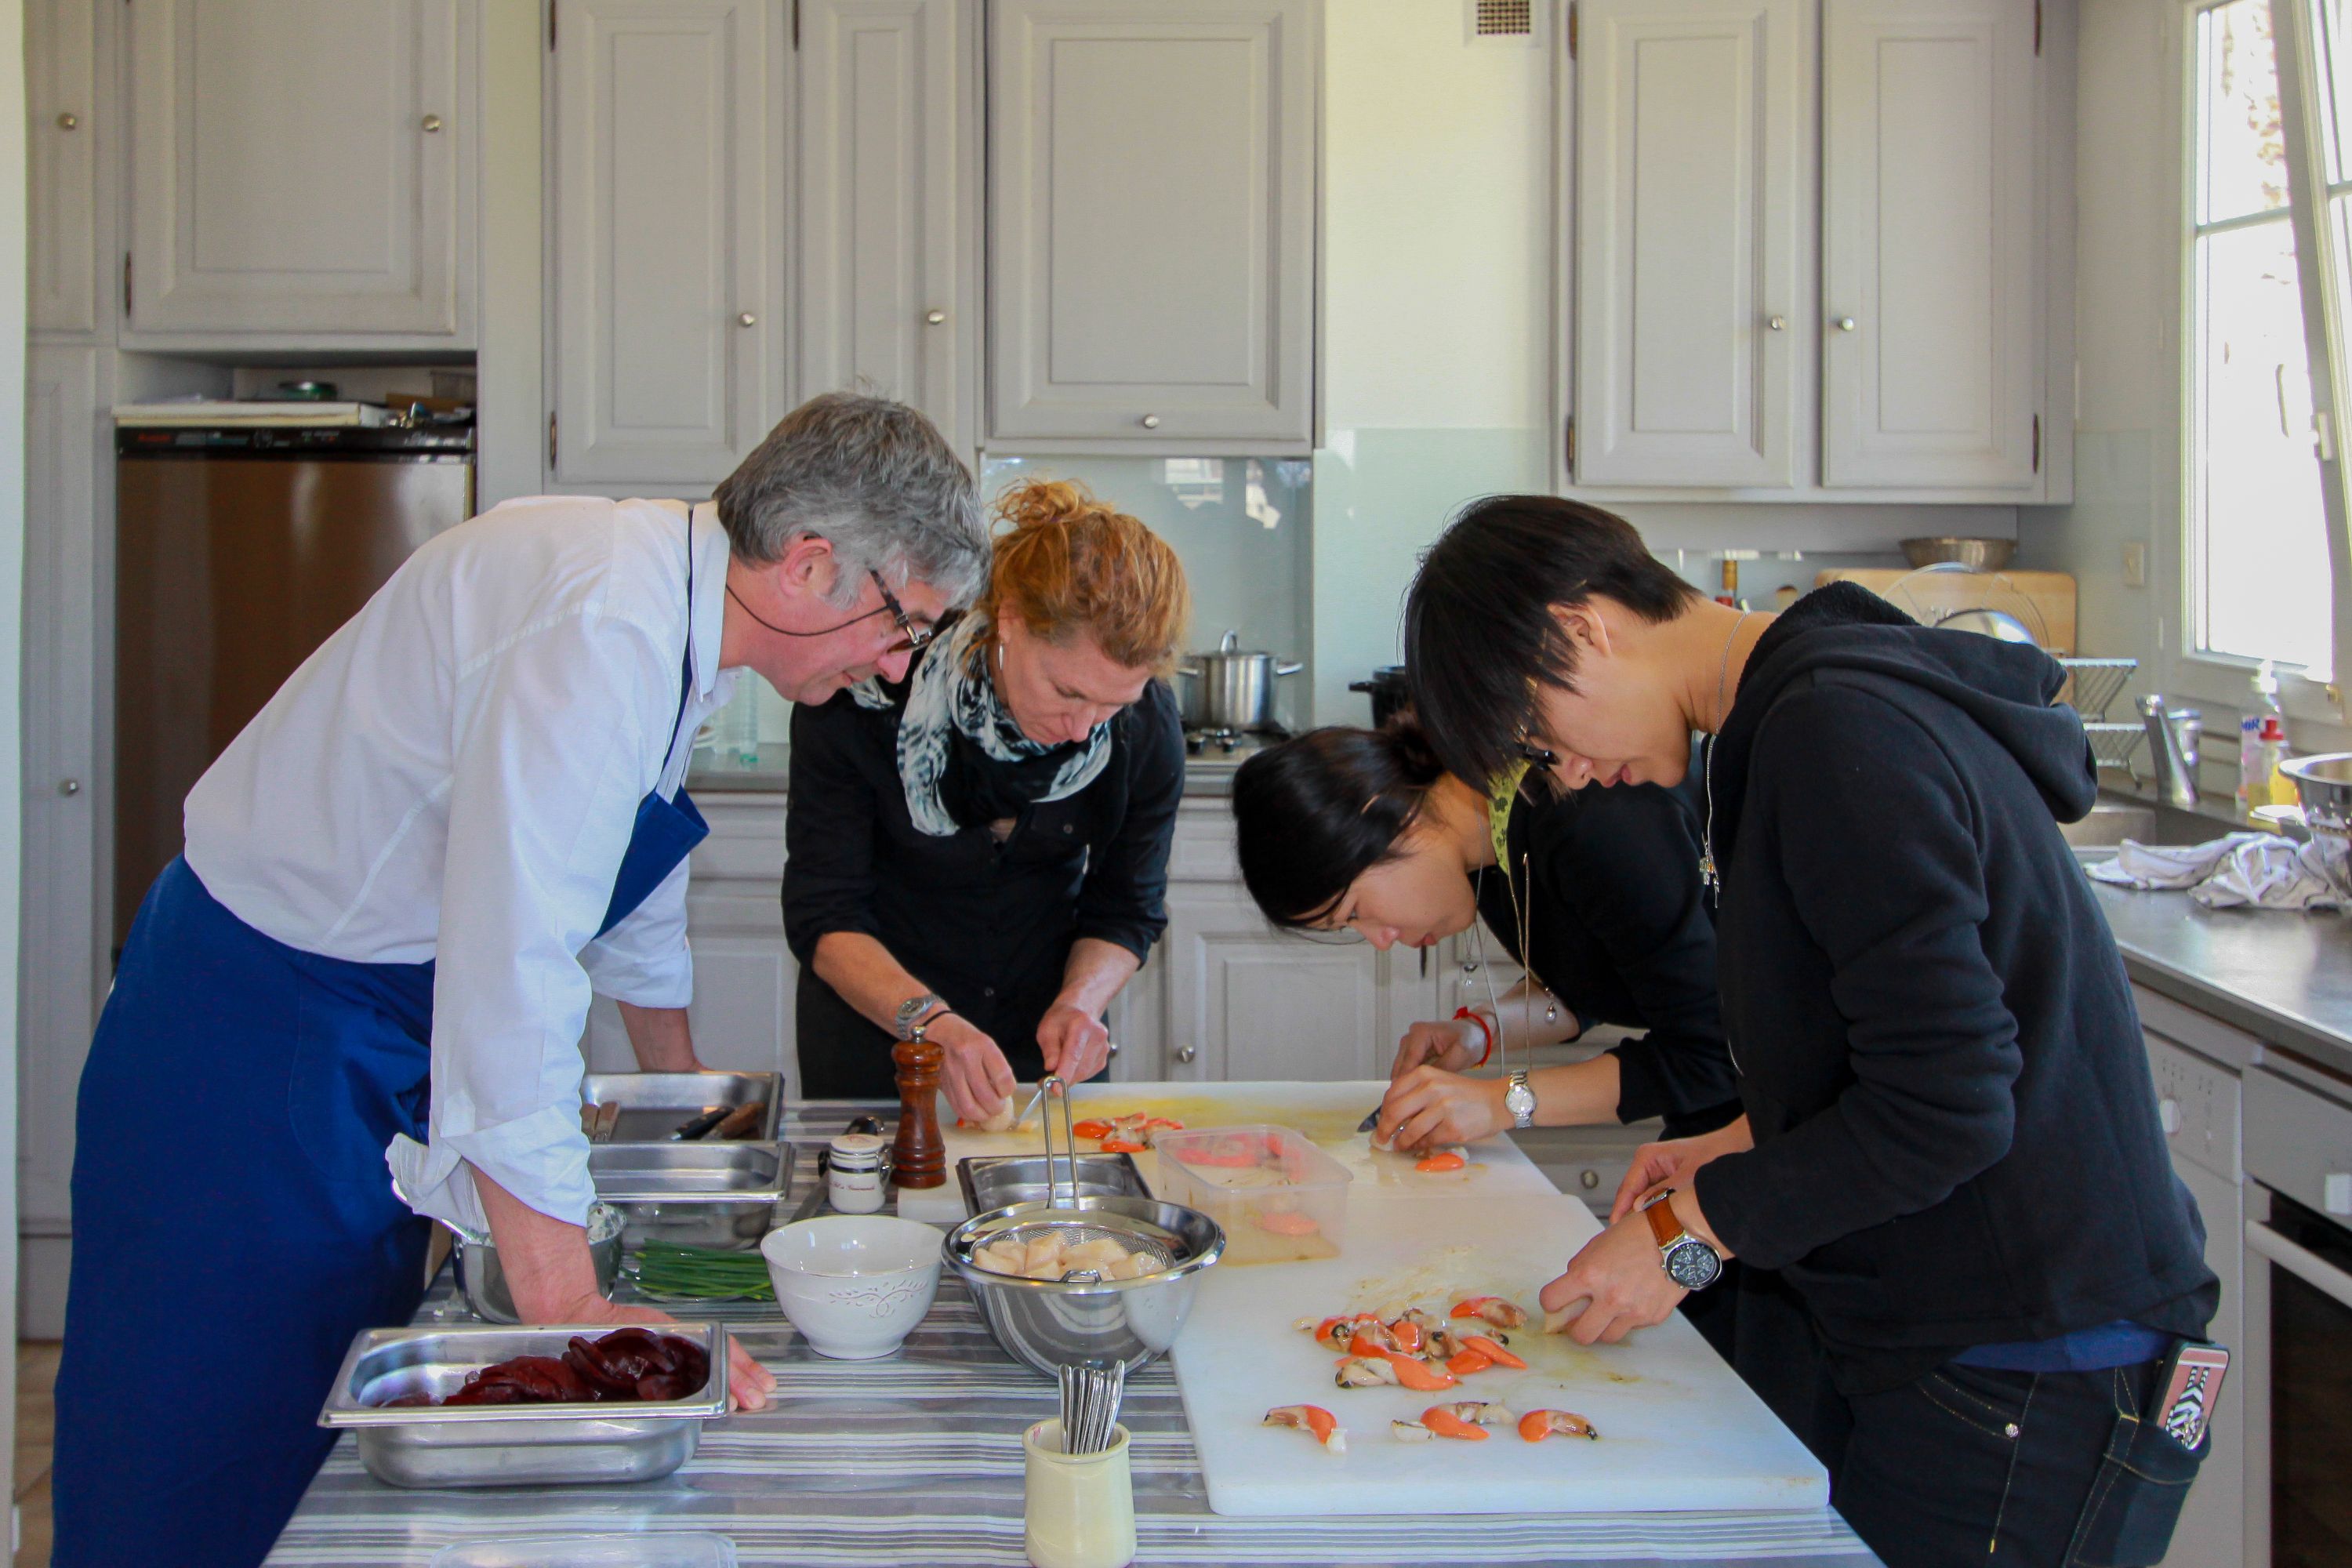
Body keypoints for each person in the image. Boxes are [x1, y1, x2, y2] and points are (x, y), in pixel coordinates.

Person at [52, 394, 989, 1568]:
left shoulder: (668, 605)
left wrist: (688, 1099)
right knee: (213, 1422)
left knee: (318, 1392)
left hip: (354, 1021)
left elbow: (632, 888)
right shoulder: (608, 621)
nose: (897, 669)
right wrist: (571, 1307)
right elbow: (514, 960)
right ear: (810, 567)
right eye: (904, 628)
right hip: (255, 1037)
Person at [1400, 495, 2219, 1568]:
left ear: (1584, 629)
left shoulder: (1834, 730)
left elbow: (1950, 1107)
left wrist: (1690, 1232)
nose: (1569, 776)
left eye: (1539, 740)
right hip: (1985, 1336)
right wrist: (1746, 1142)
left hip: (2034, 1353)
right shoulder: (1802, 713)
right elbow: (1897, 1053)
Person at [1229, 718, 1745, 1352]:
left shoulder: (1584, 817)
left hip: (1794, 1130)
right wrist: (1479, 1034)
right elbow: (1602, 978)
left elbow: (1713, 1055)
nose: (1380, 940)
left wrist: (1503, 1101)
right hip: (1722, 1138)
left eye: (1357, 912)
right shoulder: (1486, 843)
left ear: (1389, 818)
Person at [785, 480, 1189, 1122]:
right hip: (880, 1035)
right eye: (1067, 691)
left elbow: (1126, 908)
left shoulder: (1143, 730)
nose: (1087, 727)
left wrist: (1081, 1002)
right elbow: (825, 914)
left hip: (1041, 1046)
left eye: (1115, 704)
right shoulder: (869, 686)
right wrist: (932, 1024)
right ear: (1011, 621)